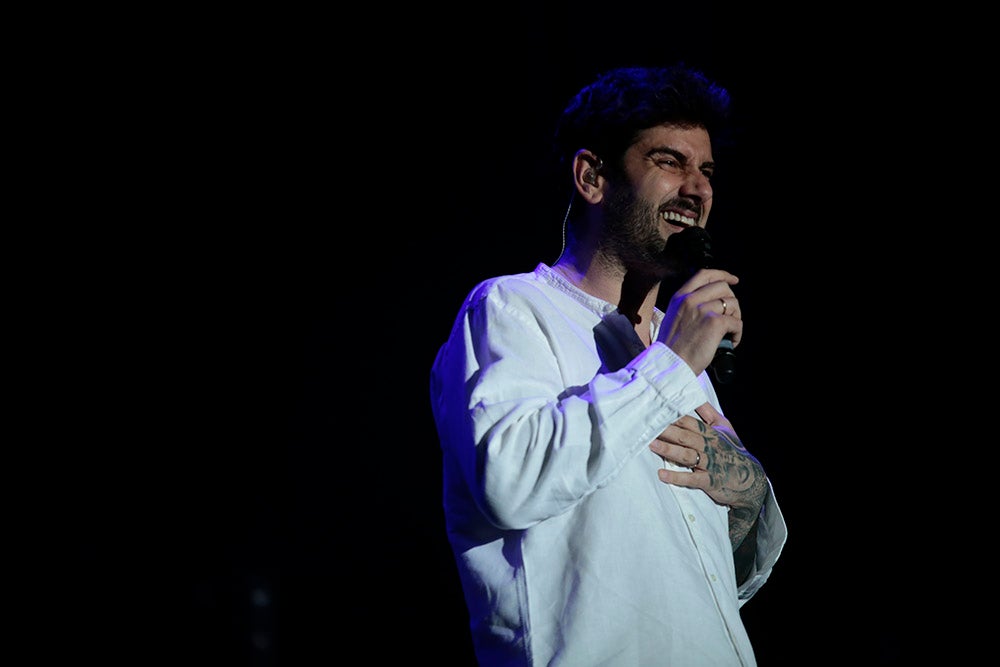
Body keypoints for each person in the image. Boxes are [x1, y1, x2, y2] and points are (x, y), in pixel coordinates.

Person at [429, 63, 787, 666]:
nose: (697, 190)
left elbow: (715, 573)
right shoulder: (513, 308)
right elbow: (508, 483)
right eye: (669, 162)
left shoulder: (673, 354)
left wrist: (749, 493)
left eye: (706, 171)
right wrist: (671, 362)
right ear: (593, 176)